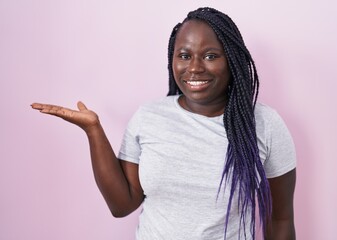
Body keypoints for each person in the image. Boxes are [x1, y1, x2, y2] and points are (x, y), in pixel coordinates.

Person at [31, 7, 296, 240]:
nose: (194, 68)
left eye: (210, 56)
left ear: (233, 62)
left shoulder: (264, 124)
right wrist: (93, 130)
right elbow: (122, 205)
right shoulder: (149, 117)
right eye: (184, 55)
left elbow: (280, 220)